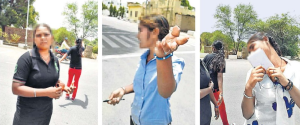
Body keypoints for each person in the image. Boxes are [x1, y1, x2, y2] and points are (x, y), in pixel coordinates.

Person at [106, 14, 189, 125]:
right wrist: (123, 90)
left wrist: (162, 57)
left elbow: (166, 91)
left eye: (140, 30)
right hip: (134, 120)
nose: (138, 36)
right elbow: (142, 83)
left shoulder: (173, 62)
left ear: (154, 32)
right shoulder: (143, 58)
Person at [12, 23, 73, 125]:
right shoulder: (26, 58)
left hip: (45, 116)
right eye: (39, 35)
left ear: (51, 38)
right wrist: (45, 92)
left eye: (46, 34)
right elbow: (16, 88)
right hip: (25, 117)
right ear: (35, 39)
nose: (43, 38)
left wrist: (63, 87)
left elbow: (52, 79)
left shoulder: (55, 61)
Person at [242, 32, 300, 125]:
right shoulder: (253, 74)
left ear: (265, 40)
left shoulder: (295, 68)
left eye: (253, 46)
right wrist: (248, 87)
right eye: (250, 52)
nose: (252, 52)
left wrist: (286, 83)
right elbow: (247, 115)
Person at [203, 40, 229, 125]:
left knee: (204, 111)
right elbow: (219, 77)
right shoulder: (221, 59)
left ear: (213, 48)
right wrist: (221, 93)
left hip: (205, 88)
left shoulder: (207, 57)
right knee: (222, 110)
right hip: (215, 89)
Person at [200, 59, 219, 125]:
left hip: (206, 115)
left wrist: (216, 104)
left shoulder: (202, 63)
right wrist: (210, 88)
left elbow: (208, 84)